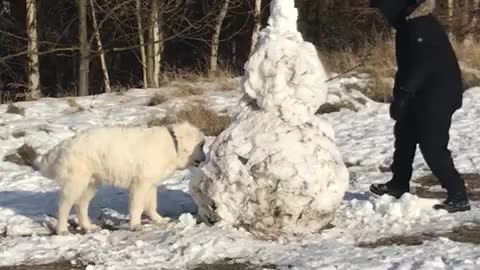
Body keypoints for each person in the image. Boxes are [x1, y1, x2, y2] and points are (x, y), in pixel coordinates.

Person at [368, 0, 471, 213]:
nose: (383, 16)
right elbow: (407, 67)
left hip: (437, 95)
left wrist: (404, 95)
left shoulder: (419, 25)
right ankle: (398, 184)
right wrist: (400, 97)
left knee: (432, 145)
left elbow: (422, 65)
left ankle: (458, 194)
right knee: (404, 135)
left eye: (383, 9)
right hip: (420, 93)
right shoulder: (409, 24)